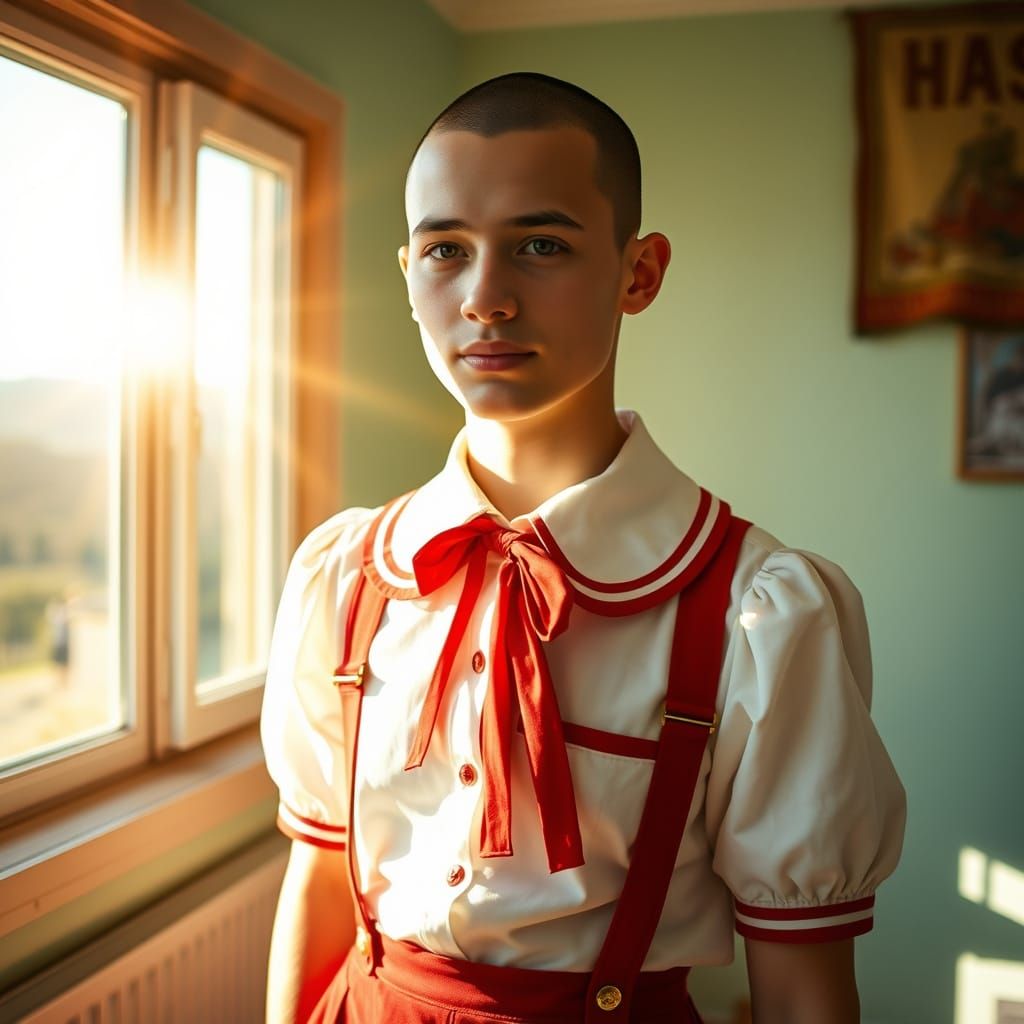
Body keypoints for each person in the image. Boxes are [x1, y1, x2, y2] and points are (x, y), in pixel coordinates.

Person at [261, 72, 906, 1024]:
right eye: (446, 249)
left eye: (541, 244)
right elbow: (318, 886)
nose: (486, 298)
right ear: (408, 277)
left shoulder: (759, 612)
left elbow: (804, 990)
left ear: (638, 273)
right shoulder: (348, 577)